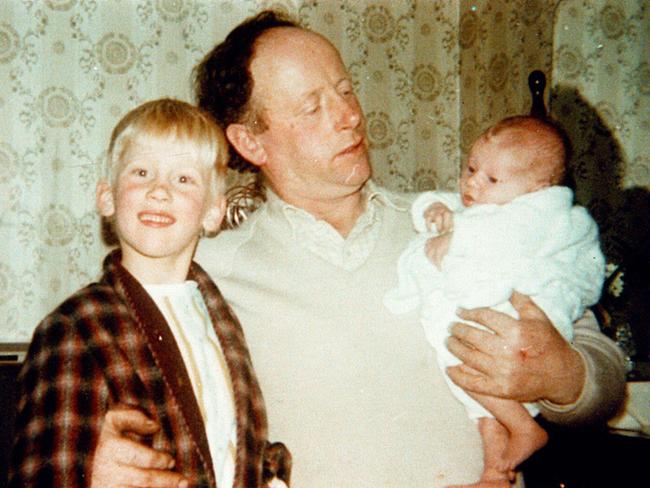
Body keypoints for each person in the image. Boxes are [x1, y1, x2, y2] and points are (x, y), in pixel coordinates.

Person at [86, 11, 626, 487]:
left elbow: (599, 359)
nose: (349, 115)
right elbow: (134, 399)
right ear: (251, 142)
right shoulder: (208, 272)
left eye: (345, 90)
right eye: (312, 106)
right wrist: (105, 459)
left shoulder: (459, 222)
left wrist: (563, 375)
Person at [8, 99, 284, 488]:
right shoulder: (74, 328)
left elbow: (237, 445)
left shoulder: (223, 319)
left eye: (184, 179)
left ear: (213, 211)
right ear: (107, 197)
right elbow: (43, 472)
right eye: (141, 172)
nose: (159, 190)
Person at [384, 115, 605, 486]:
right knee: (475, 385)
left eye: (491, 179)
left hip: (520, 316)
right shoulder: (486, 204)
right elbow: (450, 205)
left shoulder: (543, 213)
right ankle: (495, 470)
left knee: (468, 362)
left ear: (538, 188)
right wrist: (435, 211)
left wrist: (457, 236)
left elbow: (509, 236)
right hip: (488, 324)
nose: (472, 182)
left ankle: (521, 426)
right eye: (471, 168)